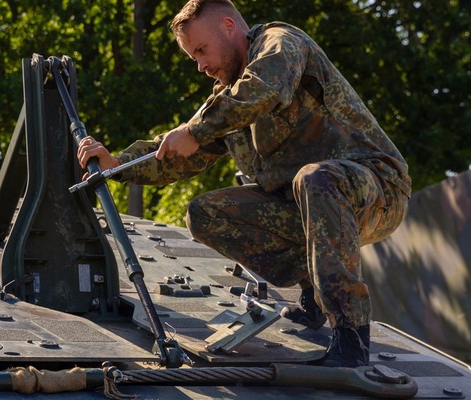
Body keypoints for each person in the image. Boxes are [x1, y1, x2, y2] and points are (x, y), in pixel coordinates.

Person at [76, 0, 411, 368]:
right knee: (205, 213)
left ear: (228, 26)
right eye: (193, 59)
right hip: (309, 206)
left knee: (315, 178)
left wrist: (197, 130)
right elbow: (180, 153)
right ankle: (313, 290)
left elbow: (263, 91)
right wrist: (116, 165)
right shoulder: (229, 97)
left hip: (376, 189)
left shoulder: (281, 44)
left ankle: (351, 336)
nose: (201, 66)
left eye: (202, 50)